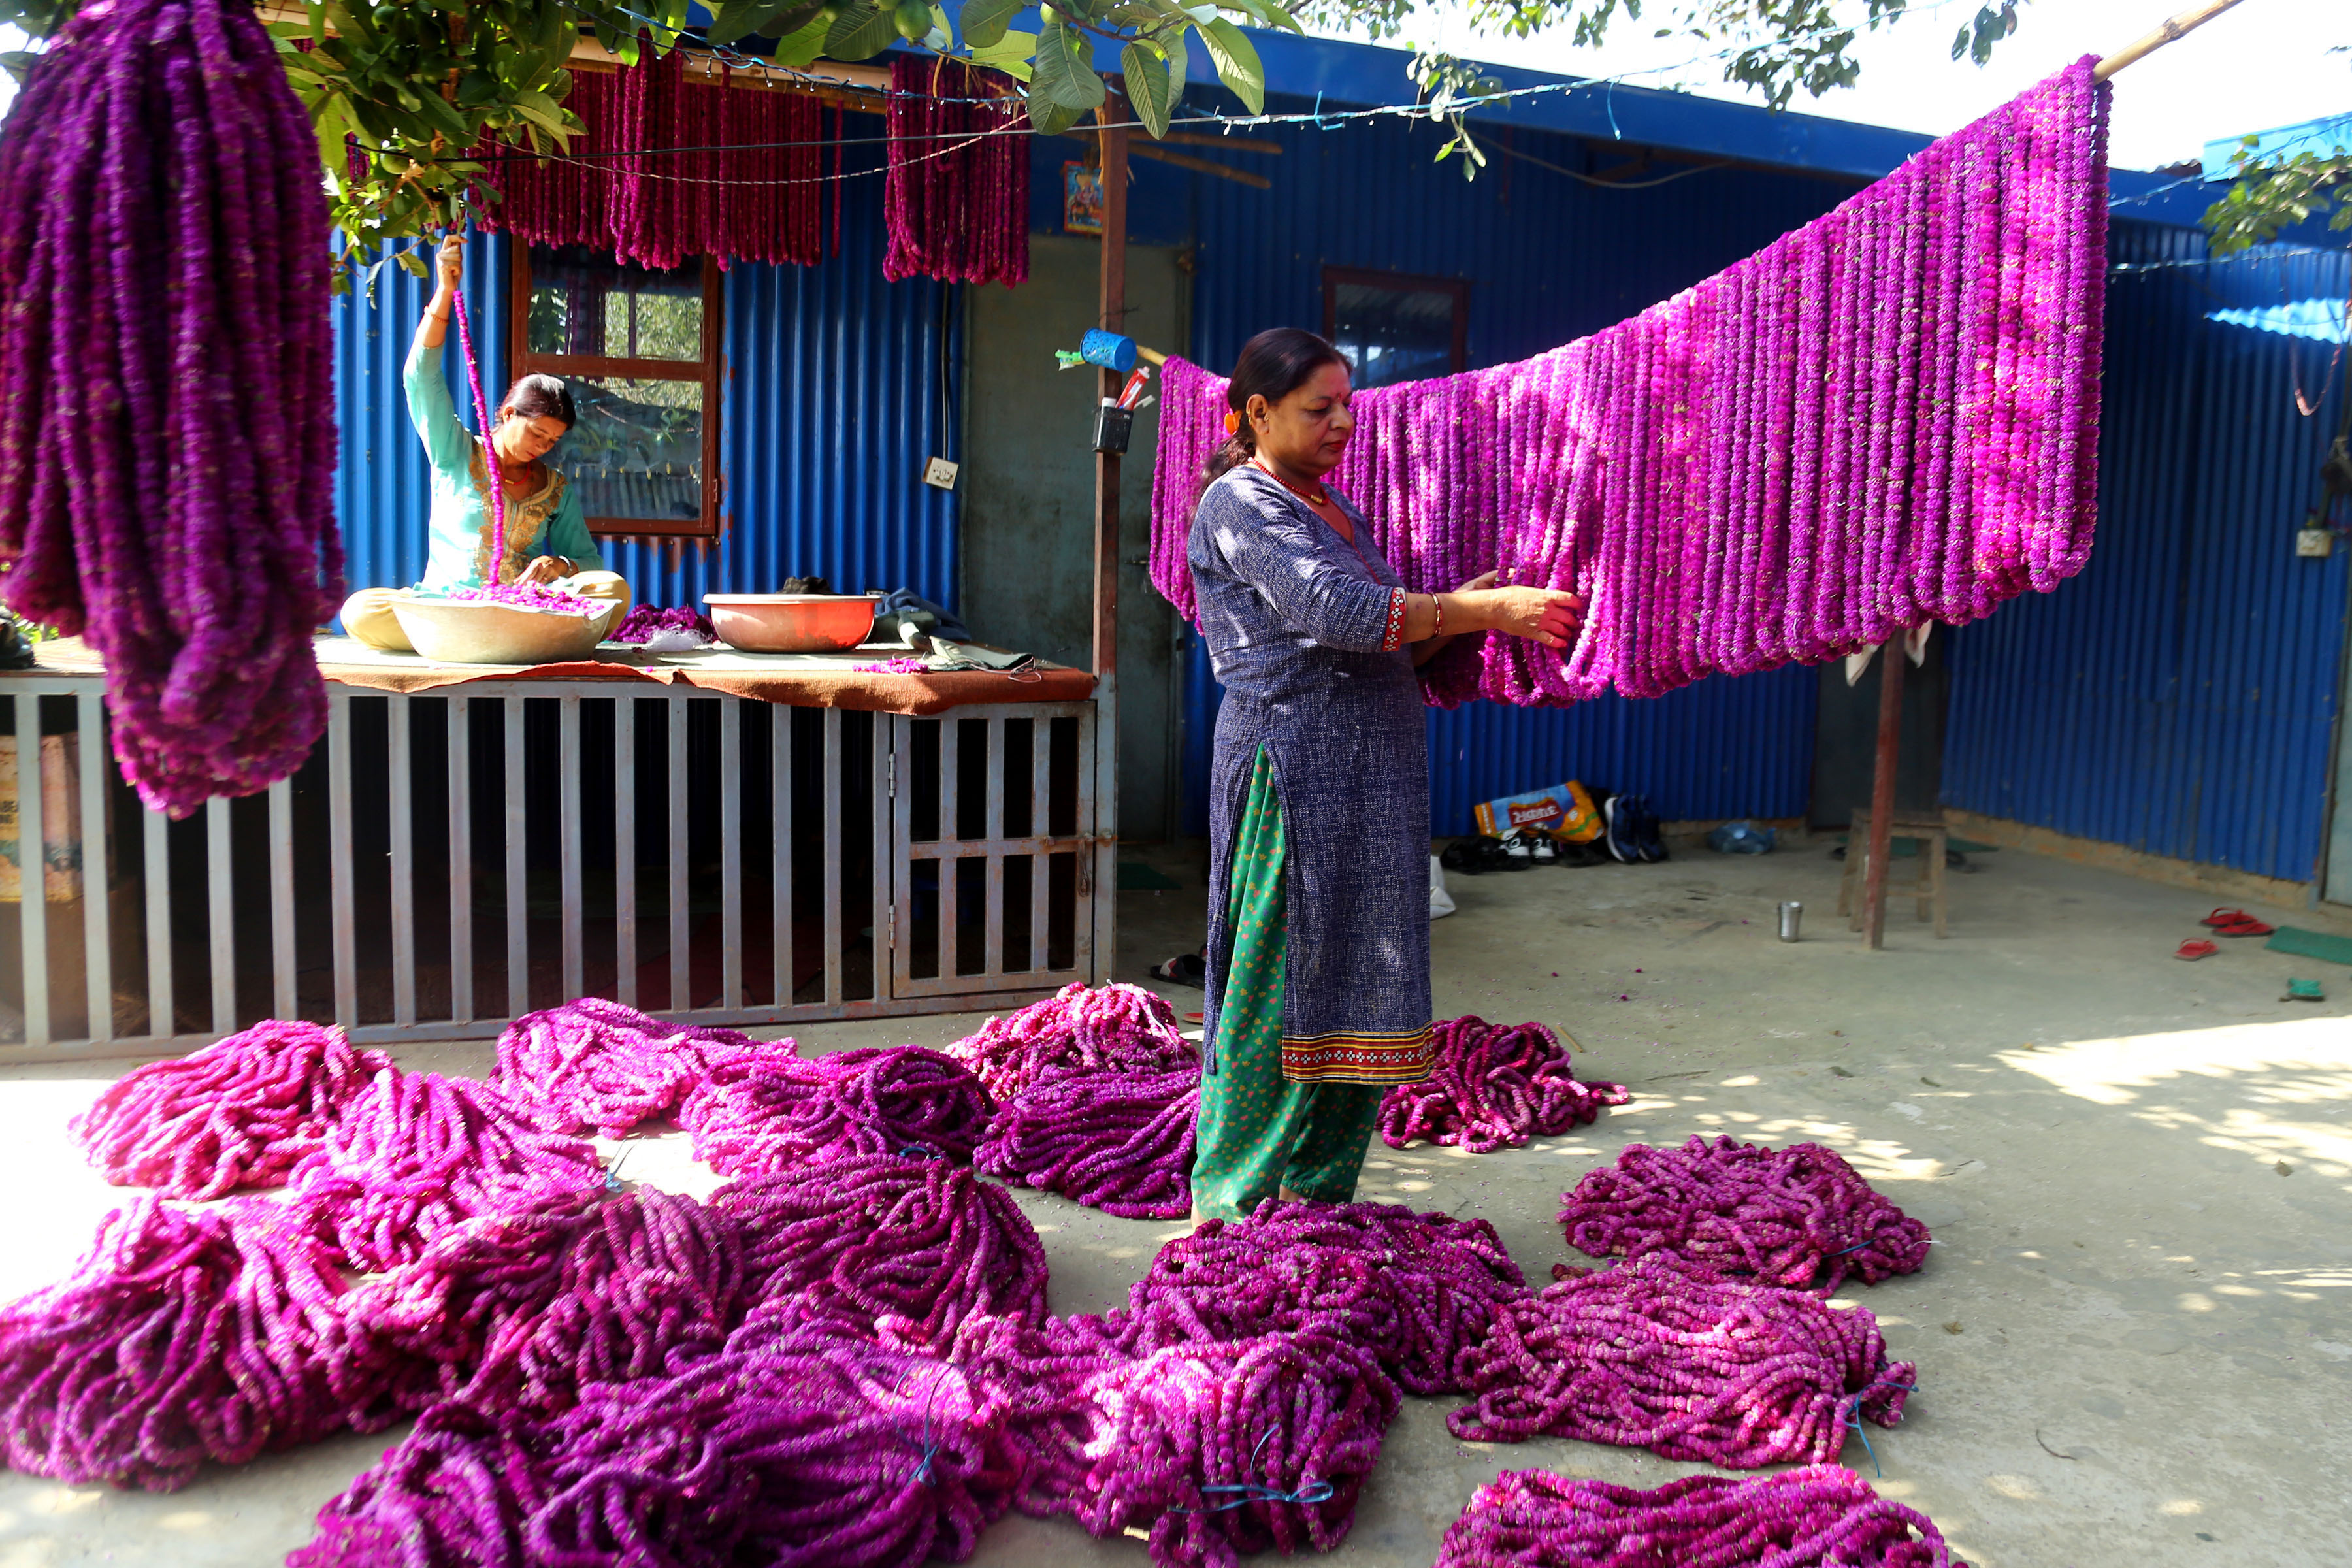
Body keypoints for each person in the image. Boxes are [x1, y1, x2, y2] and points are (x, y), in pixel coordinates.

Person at [1186, 327, 1584, 1222]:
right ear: (1258, 413)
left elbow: (1389, 640)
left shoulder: (1332, 508)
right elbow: (1342, 613)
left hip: (1374, 785)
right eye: (1318, 408)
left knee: (1362, 983)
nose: (1341, 424)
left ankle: (1316, 1200)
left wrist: (1468, 616)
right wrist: (1481, 606)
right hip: (1294, 779)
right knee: (1277, 993)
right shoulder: (1238, 504)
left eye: (1348, 407)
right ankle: (1231, 1209)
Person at [340, 233, 631, 651]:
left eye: (553, 441)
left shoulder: (555, 488)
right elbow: (420, 380)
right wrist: (444, 292)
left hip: (524, 609)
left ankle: (489, 641)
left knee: (610, 588)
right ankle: (495, 641)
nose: (544, 447)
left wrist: (560, 564)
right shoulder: (455, 451)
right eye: (537, 433)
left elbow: (589, 562)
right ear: (509, 413)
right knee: (361, 610)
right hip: (449, 606)